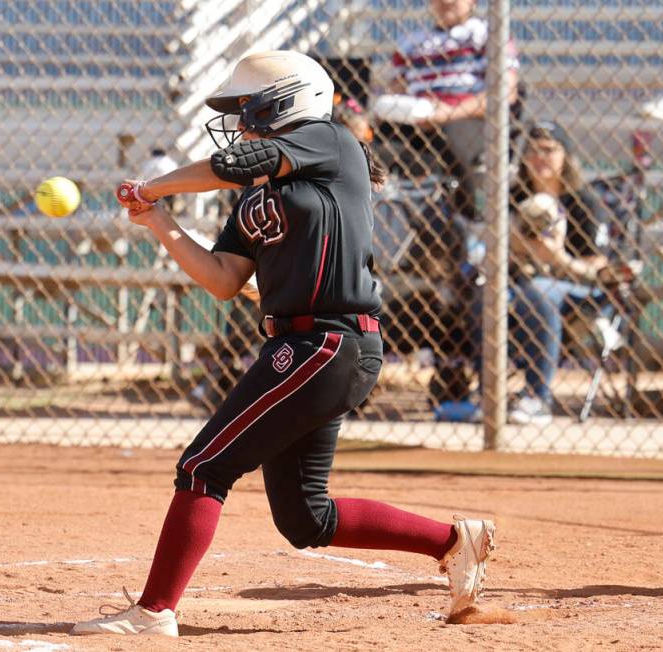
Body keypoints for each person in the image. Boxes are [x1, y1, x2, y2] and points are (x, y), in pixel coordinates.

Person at [70, 50, 496, 637]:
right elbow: (223, 280)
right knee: (305, 517)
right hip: (300, 348)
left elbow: (240, 162)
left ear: (288, 103)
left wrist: (153, 182)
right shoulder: (254, 197)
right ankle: (455, 542)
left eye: (250, 109)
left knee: (203, 467)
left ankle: (154, 612)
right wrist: (158, 219)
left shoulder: (331, 142)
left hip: (326, 344)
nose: (242, 122)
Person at [504, 120, 638, 424]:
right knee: (482, 293)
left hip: (577, 287)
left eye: (549, 150)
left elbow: (599, 268)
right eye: (533, 151)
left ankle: (537, 397)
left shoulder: (583, 201)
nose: (540, 158)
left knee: (540, 292)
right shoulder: (513, 196)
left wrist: (558, 258)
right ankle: (483, 396)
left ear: (565, 156)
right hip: (520, 281)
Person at [380, 0, 520, 220]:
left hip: (468, 117)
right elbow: (395, 89)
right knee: (377, 143)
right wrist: (412, 110)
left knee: (454, 134)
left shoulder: (488, 34)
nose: (446, 2)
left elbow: (505, 93)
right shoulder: (410, 42)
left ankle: (472, 218)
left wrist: (446, 113)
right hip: (416, 118)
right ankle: (383, 215)